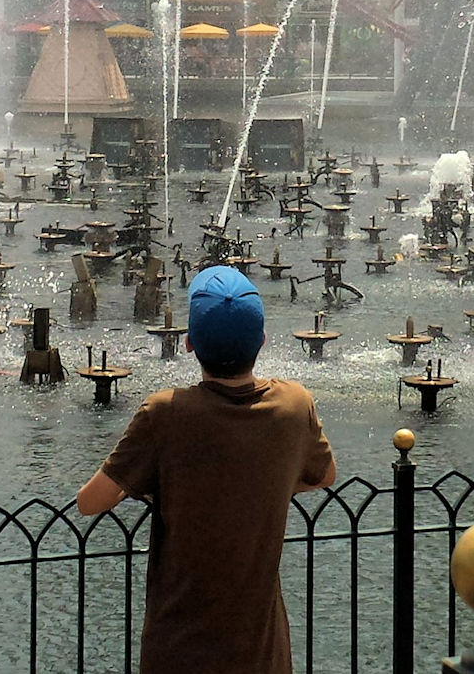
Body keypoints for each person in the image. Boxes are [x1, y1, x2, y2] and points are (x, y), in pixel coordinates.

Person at [76, 265, 336, 674]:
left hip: (179, 650)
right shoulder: (293, 405)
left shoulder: (165, 413)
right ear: (262, 341)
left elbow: (89, 502)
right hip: (262, 654)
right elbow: (324, 475)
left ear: (188, 344)